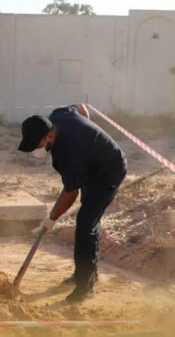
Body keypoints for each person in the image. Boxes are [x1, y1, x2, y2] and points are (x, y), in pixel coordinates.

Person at [17, 103, 127, 303]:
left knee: (85, 224)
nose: (36, 150)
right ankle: (84, 274)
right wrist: (89, 143)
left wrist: (52, 218)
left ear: (50, 136)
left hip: (109, 171)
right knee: (87, 221)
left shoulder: (68, 154)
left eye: (38, 145)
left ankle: (85, 286)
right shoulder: (59, 115)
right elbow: (81, 108)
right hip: (89, 167)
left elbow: (71, 193)